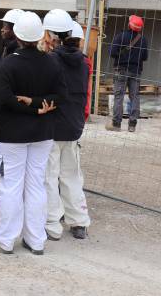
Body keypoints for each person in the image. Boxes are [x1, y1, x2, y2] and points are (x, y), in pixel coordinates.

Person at [0, 11, 63, 255]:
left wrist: (28, 103)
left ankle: (7, 239)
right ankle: (36, 239)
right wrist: (38, 105)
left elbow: (4, 99)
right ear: (39, 36)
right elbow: (59, 97)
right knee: (36, 185)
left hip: (11, 134)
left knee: (11, 185)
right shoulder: (52, 62)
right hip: (42, 133)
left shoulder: (8, 63)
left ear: (18, 36)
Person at [46, 22, 91, 241]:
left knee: (50, 176)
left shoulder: (52, 60)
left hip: (53, 126)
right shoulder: (84, 63)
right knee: (72, 176)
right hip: (74, 126)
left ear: (57, 37)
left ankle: (53, 221)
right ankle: (79, 222)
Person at [0, 8, 24, 197]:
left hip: (11, 111)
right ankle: (2, 180)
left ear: (15, 30)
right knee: (0, 150)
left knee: (9, 150)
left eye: (6, 27)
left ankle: (7, 182)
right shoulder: (6, 49)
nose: (2, 30)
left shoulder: (16, 53)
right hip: (1, 109)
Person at [108, 14, 148, 133]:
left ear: (129, 24)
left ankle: (116, 124)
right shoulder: (143, 40)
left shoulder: (120, 36)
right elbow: (145, 57)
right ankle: (132, 125)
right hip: (135, 71)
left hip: (121, 69)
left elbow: (112, 52)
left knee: (119, 96)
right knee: (134, 97)